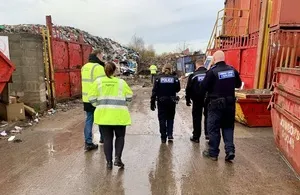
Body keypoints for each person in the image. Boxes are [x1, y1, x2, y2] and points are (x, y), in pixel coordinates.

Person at [88, 62, 133, 169]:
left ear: (105, 70)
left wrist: (98, 105)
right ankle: (118, 158)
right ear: (115, 71)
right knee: (120, 137)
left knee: (107, 139)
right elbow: (129, 96)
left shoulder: (98, 82)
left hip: (104, 116)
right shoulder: (121, 82)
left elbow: (91, 97)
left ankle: (108, 163)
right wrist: (123, 104)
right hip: (119, 116)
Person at [200, 50, 242, 162]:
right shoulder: (232, 70)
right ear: (224, 58)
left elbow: (203, 87)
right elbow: (238, 84)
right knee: (228, 127)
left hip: (215, 105)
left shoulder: (212, 72)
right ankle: (230, 151)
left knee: (214, 128)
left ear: (214, 59)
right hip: (230, 104)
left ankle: (213, 153)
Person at [81, 49, 105, 151]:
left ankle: (88, 142)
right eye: (102, 56)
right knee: (101, 118)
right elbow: (102, 84)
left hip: (86, 98)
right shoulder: (98, 67)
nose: (102, 57)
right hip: (97, 98)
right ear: (98, 55)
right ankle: (103, 138)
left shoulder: (84, 67)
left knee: (89, 119)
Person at [151, 64, 181, 143]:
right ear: (171, 69)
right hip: (171, 101)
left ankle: (163, 137)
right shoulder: (175, 78)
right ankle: (170, 134)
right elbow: (178, 89)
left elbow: (154, 91)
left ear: (163, 69)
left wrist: (152, 102)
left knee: (162, 119)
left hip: (161, 101)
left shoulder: (158, 78)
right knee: (170, 118)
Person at [185, 59, 209, 143]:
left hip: (196, 99)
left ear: (196, 65)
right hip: (208, 99)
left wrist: (187, 99)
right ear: (203, 64)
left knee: (197, 118)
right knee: (208, 116)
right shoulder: (209, 73)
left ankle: (196, 136)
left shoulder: (193, 75)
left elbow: (188, 89)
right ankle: (208, 134)